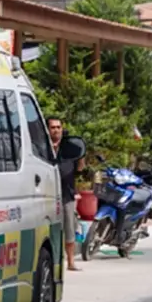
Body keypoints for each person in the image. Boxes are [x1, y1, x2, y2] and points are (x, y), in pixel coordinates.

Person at [48, 116, 84, 272]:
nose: (56, 130)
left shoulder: (69, 148)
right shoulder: (42, 147)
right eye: (53, 127)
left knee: (69, 230)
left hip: (66, 195)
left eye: (58, 127)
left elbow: (80, 169)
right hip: (47, 196)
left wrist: (82, 154)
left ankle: (70, 262)